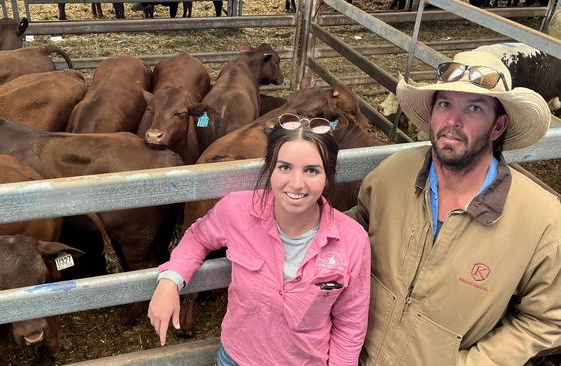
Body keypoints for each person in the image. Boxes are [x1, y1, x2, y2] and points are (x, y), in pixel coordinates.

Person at [346, 50, 561, 365]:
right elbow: (352, 231)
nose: (453, 121)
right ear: (431, 113)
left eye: (474, 108)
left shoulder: (542, 220)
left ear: (498, 126)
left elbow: (547, 317)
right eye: (445, 103)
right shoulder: (392, 174)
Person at [148, 113, 371, 365]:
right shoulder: (236, 209)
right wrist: (170, 280)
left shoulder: (353, 240)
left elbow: (350, 325)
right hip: (237, 357)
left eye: (311, 170)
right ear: (270, 169)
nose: (296, 183)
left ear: (328, 176)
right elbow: (198, 238)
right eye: (285, 167)